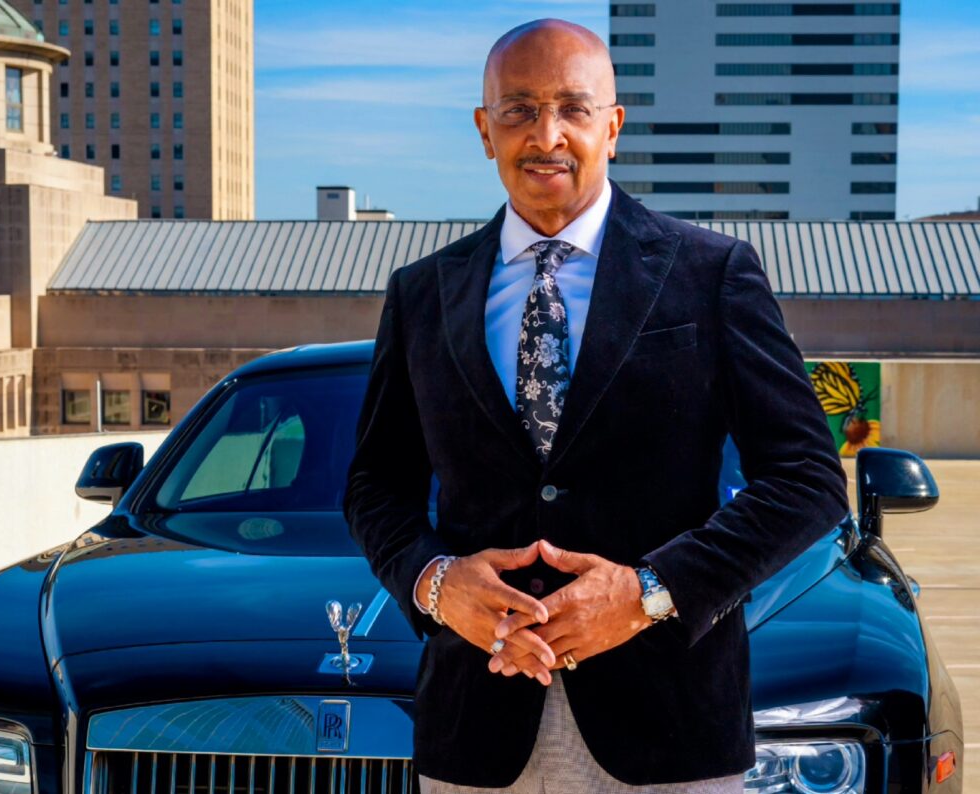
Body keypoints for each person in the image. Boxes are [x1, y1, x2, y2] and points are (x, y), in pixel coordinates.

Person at [343, 17, 849, 793]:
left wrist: (649, 592)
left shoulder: (710, 274)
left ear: (611, 127)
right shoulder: (422, 293)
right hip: (477, 726)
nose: (546, 134)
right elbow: (376, 485)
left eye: (573, 108)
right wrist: (436, 582)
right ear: (485, 130)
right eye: (517, 109)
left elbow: (809, 480)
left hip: (669, 723)